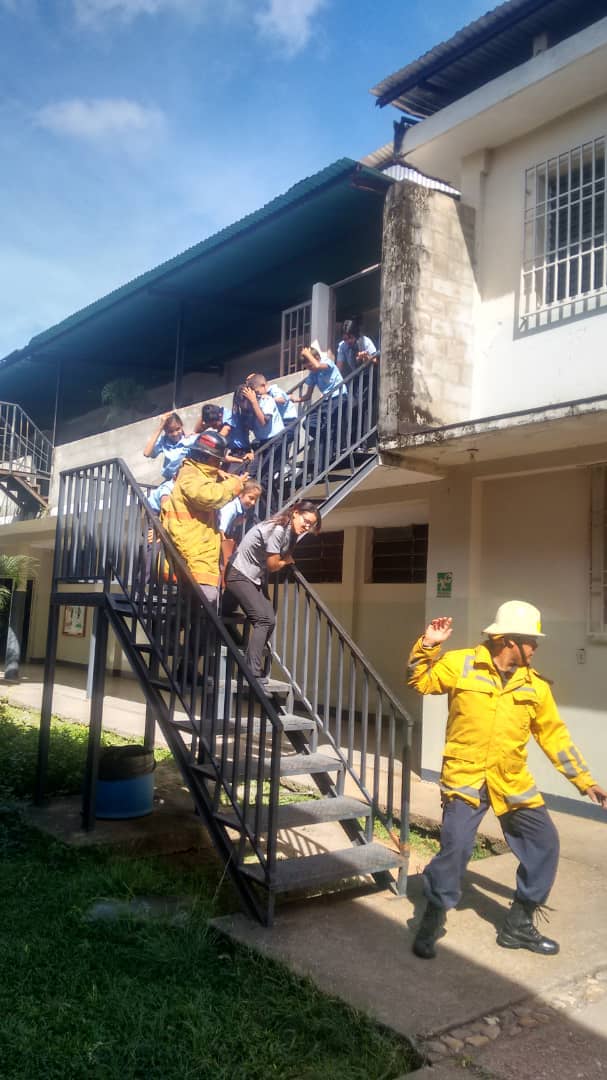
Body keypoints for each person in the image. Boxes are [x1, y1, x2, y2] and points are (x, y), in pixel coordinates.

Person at [407, 601, 607, 960]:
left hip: (511, 780)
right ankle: (433, 915)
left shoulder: (536, 687)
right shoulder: (460, 664)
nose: (536, 647)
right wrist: (428, 644)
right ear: (509, 641)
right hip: (465, 776)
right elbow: (418, 680)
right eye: (531, 640)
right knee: (455, 849)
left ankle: (518, 925)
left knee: (544, 843)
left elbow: (554, 737)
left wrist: (585, 780)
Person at [224, 501, 321, 686]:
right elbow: (273, 565)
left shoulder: (289, 531)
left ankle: (247, 656)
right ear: (295, 512)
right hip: (238, 574)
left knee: (270, 618)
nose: (307, 526)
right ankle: (250, 671)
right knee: (263, 619)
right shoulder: (278, 529)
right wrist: (286, 562)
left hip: (252, 577)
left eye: (311, 524)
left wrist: (284, 559)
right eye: (305, 520)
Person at [160, 429, 247, 608]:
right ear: (207, 458)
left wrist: (219, 477)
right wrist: (234, 484)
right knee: (206, 601)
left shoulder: (196, 474)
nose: (219, 465)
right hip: (194, 551)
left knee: (203, 608)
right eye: (217, 461)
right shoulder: (191, 475)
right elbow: (208, 496)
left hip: (197, 550)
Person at [290, 346, 346, 473]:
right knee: (308, 422)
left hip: (338, 396)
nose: (310, 369)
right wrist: (295, 399)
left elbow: (317, 365)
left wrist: (307, 354)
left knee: (329, 429)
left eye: (309, 365)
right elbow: (308, 394)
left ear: (315, 358)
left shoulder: (327, 362)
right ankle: (327, 436)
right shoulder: (313, 372)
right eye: (307, 367)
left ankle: (330, 445)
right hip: (326, 401)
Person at [143, 411, 197, 513]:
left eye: (178, 429)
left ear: (181, 426)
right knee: (149, 501)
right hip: (170, 481)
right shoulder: (164, 441)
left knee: (165, 496)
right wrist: (160, 427)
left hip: (185, 480)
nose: (175, 434)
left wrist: (195, 432)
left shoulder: (189, 441)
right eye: (171, 431)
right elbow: (147, 453)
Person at [197, 403, 254, 469]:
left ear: (220, 416)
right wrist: (195, 432)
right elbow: (199, 429)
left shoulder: (229, 416)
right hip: (231, 453)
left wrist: (209, 446)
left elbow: (222, 435)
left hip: (242, 452)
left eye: (214, 425)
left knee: (232, 476)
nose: (214, 428)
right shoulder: (216, 414)